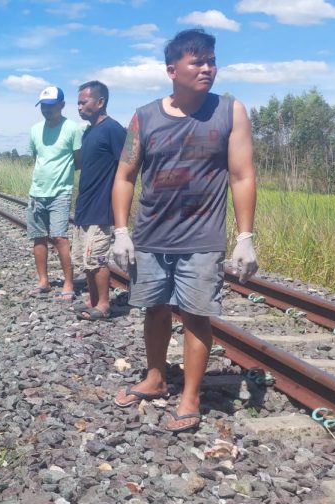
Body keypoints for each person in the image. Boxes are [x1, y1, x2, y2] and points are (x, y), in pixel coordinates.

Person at [110, 28, 258, 433]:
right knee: (155, 309)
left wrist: (245, 237)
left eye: (212, 61)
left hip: (201, 238)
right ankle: (156, 377)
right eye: (198, 62)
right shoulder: (144, 117)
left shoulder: (230, 111)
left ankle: (190, 395)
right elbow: (125, 176)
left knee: (196, 316)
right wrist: (121, 230)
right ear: (172, 70)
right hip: (151, 235)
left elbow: (242, 175)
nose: (208, 68)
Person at [72, 81, 125, 320]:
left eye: (83, 102)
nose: (79, 107)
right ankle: (92, 300)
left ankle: (103, 304)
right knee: (86, 259)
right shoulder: (89, 131)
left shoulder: (113, 129)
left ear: (100, 102)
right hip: (85, 206)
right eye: (78, 103)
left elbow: (127, 167)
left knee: (98, 258)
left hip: (101, 207)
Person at [26, 86, 82, 302]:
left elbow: (78, 160)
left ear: (62, 105)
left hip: (60, 192)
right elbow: (37, 158)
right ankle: (44, 281)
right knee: (38, 238)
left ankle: (68, 283)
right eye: (43, 106)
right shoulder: (35, 130)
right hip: (36, 192)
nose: (47, 110)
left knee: (60, 238)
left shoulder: (72, 129)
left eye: (51, 106)